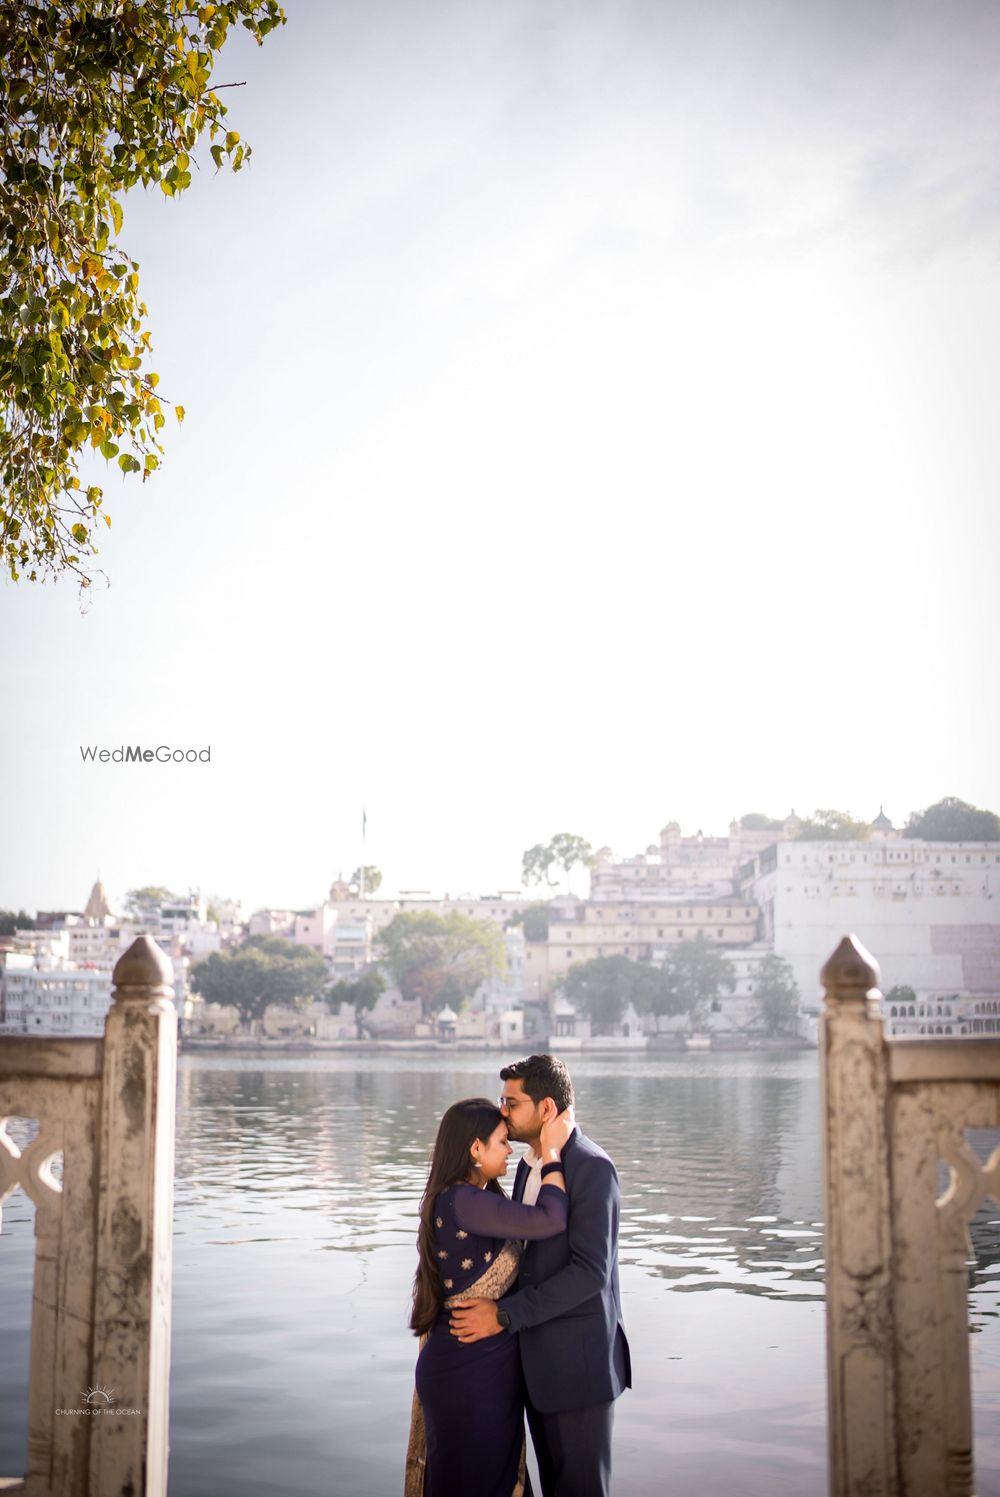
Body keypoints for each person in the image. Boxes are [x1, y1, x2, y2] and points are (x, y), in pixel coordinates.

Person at [450, 1055, 631, 1497]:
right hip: (533, 1367)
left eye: (511, 1103)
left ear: (546, 1108)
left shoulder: (592, 1167)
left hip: (577, 1371)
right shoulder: (531, 1165)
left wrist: (504, 1315)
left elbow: (590, 1273)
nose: (503, 1113)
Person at [406, 1096, 576, 1497]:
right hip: (468, 1370)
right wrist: (551, 1152)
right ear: (475, 1149)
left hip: (476, 1362)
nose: (510, 1148)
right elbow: (552, 1218)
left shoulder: (468, 1197)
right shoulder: (464, 1200)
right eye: (502, 1141)